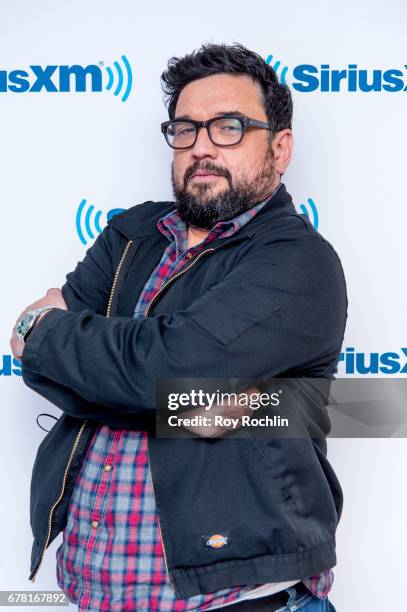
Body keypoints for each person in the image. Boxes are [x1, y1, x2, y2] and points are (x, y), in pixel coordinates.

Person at [10, 42, 346, 611]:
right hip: (94, 588)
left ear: (280, 147)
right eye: (186, 130)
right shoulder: (132, 234)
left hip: (234, 598)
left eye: (229, 128)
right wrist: (158, 392)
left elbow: (171, 367)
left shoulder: (298, 261)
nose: (202, 148)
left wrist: (44, 331)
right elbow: (62, 375)